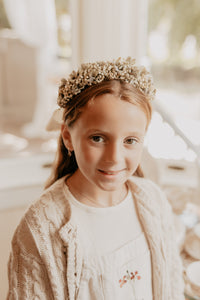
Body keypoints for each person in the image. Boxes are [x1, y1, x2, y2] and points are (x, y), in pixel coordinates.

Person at [7, 57, 184, 300]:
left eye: (130, 141)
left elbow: (172, 283)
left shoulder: (153, 200)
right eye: (98, 138)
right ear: (68, 136)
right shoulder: (40, 230)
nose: (114, 158)